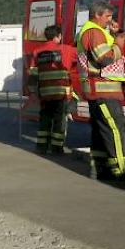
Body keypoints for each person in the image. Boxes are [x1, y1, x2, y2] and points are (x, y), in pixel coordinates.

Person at [77, 0, 125, 186]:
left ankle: (101, 168)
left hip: (99, 90)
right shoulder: (94, 32)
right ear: (97, 15)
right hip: (103, 91)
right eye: (107, 16)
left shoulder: (94, 31)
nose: (110, 20)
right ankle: (123, 172)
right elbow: (105, 58)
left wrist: (117, 35)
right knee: (116, 129)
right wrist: (119, 42)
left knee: (102, 131)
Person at [29, 25, 76, 155]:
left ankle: (41, 146)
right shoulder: (67, 50)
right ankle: (56, 148)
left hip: (44, 92)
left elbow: (33, 74)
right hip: (61, 93)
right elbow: (82, 58)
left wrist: (33, 92)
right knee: (59, 120)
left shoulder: (37, 51)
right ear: (59, 36)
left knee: (45, 118)